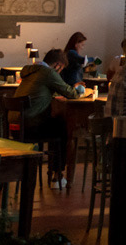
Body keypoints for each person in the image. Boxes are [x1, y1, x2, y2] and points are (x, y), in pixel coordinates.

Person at [15, 48, 91, 186]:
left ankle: (53, 171)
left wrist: (70, 87)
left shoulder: (32, 70)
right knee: (62, 127)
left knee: (55, 124)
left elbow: (46, 91)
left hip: (16, 125)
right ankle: (57, 174)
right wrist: (78, 90)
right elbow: (71, 94)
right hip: (30, 126)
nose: (60, 72)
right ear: (57, 65)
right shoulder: (48, 72)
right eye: (61, 69)